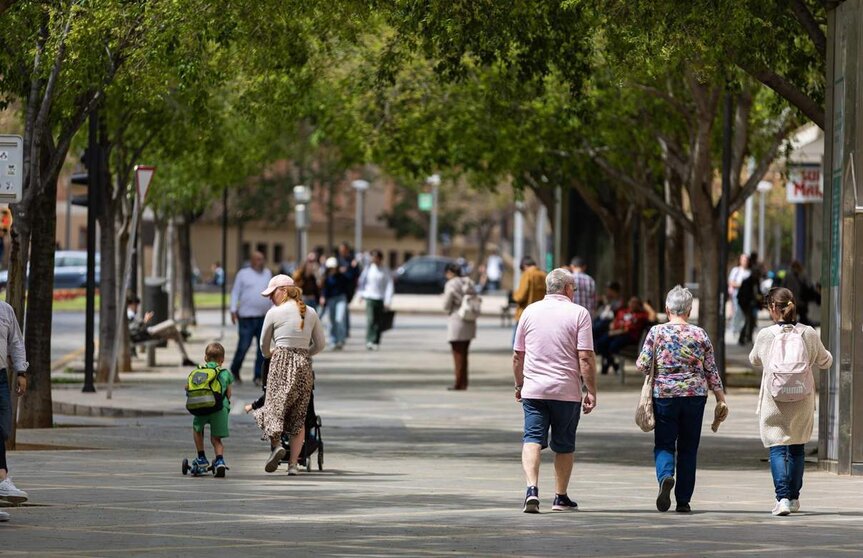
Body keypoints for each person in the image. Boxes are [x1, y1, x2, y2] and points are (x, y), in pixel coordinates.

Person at [513, 268, 597, 514]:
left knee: (532, 439)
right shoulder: (579, 314)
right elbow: (586, 357)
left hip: (534, 390)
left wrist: (519, 384)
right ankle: (560, 497)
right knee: (564, 444)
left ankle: (531, 490)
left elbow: (518, 355)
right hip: (566, 392)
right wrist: (591, 390)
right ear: (568, 289)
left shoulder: (529, 312)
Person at [636, 285, 726, 513]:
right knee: (688, 448)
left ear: (667, 308)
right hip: (695, 395)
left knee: (665, 443)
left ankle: (666, 475)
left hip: (664, 395)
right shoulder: (700, 334)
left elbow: (643, 364)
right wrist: (720, 398)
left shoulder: (656, 332)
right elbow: (711, 369)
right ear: (689, 309)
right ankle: (683, 500)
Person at [749, 287, 832, 516]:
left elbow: (754, 359)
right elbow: (826, 361)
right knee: (797, 447)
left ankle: (782, 498)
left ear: (773, 308)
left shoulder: (766, 335)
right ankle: (794, 498)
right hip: (801, 398)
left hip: (774, 400)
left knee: (777, 447)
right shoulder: (808, 333)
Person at [254, 275, 326, 476]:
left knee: (273, 409)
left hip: (280, 363)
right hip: (304, 366)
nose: (270, 299)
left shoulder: (274, 313)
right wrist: (303, 353)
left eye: (272, 294)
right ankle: (293, 465)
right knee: (298, 416)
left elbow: (263, 345)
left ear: (283, 291)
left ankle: (277, 446)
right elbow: (320, 344)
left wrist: (271, 355)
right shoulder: (310, 312)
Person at [0, 301, 29, 522]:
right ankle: (2, 478)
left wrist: (21, 371)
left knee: (2, 427)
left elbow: (16, 342)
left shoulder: (5, 310)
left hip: (0, 376)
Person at [187, 343, 233, 478]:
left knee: (197, 429)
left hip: (201, 408)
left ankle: (201, 458)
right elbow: (229, 394)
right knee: (216, 439)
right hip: (219, 409)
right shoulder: (225, 373)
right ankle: (219, 461)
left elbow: (188, 388)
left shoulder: (198, 371)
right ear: (222, 360)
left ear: (205, 358)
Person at [229, 251, 273, 385]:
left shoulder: (267, 273)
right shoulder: (243, 274)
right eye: (258, 259)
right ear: (252, 261)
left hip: (263, 317)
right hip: (246, 317)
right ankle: (235, 370)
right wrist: (233, 309)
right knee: (243, 346)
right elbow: (235, 292)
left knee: (262, 348)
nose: (261, 261)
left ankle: (258, 376)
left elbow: (272, 293)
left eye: (262, 259)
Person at [127, 295, 196, 367]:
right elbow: (133, 329)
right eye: (135, 305)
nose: (136, 307)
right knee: (171, 322)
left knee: (176, 334)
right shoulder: (129, 313)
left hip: (148, 332)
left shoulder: (132, 313)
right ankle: (182, 332)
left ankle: (185, 359)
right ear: (131, 304)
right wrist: (144, 321)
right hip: (146, 333)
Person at [442, 262, 478, 391]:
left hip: (457, 320)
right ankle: (464, 382)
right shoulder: (469, 282)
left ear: (450, 272)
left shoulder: (451, 284)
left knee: (457, 355)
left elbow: (446, 305)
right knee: (464, 354)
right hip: (469, 321)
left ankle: (459, 383)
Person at [594, 296, 651, 374]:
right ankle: (613, 364)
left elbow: (627, 328)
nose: (632, 304)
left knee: (612, 346)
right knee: (600, 342)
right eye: (631, 302)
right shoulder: (623, 312)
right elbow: (615, 323)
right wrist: (613, 327)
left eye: (635, 303)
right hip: (616, 333)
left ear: (639, 305)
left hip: (629, 336)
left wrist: (615, 331)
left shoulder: (641, 315)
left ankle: (610, 365)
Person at [357, 249, 393, 351]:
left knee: (378, 321)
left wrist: (388, 300)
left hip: (380, 298)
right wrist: (361, 294)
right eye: (373, 257)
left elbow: (389, 286)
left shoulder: (385, 270)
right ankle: (369, 340)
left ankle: (376, 341)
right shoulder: (368, 269)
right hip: (370, 298)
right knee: (371, 320)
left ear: (380, 259)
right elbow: (362, 282)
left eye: (376, 257)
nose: (375, 259)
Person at [321, 257, 350, 350]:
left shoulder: (342, 276)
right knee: (331, 321)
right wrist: (323, 297)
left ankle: (340, 340)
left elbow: (350, 283)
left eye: (334, 267)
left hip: (341, 299)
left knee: (340, 319)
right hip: (331, 300)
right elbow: (324, 289)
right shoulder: (326, 278)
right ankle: (333, 341)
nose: (333, 269)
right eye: (331, 268)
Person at [513, 256, 546, 324]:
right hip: (540, 313)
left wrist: (515, 296)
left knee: (518, 334)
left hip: (525, 313)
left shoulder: (527, 274)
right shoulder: (544, 274)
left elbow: (520, 296)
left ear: (524, 266)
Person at [737, 266, 764, 345]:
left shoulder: (756, 282)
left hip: (752, 305)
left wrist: (760, 300)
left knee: (751, 321)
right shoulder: (747, 282)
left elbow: (758, 292)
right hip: (746, 304)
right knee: (748, 320)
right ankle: (742, 338)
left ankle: (748, 337)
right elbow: (745, 295)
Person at [728, 254, 751, 334]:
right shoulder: (736, 270)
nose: (745, 262)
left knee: (743, 314)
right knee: (736, 311)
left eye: (746, 260)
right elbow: (731, 282)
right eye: (743, 260)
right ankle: (734, 328)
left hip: (746, 297)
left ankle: (741, 329)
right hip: (736, 295)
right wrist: (740, 285)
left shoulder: (749, 272)